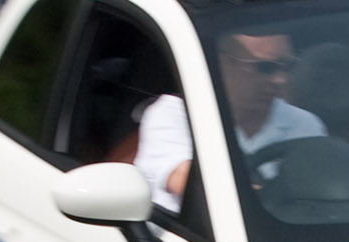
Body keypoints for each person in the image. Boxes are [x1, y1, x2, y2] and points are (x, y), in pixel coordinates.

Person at [130, 33, 325, 213]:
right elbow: (187, 182)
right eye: (265, 67)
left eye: (287, 66)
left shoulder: (305, 124)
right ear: (222, 64)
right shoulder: (173, 114)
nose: (280, 79)